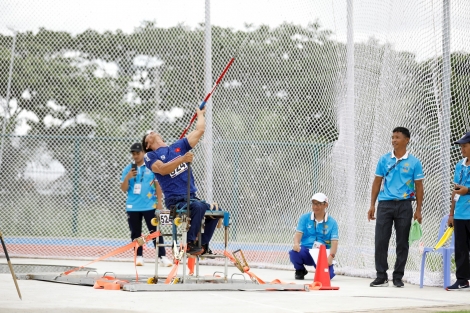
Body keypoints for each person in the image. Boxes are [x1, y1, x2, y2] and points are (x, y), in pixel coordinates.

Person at [142, 106, 218, 256]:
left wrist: (200, 115)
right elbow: (163, 169)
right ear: (147, 145)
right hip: (176, 200)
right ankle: (189, 243)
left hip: (191, 197)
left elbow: (199, 131)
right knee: (198, 206)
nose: (150, 133)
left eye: (152, 132)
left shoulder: (178, 146)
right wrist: (182, 159)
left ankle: (202, 244)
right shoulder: (150, 157)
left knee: (214, 211)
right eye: (147, 135)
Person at [368, 127, 424, 288]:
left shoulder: (414, 162)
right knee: (380, 241)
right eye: (392, 137)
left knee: (402, 242)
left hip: (405, 205)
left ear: (407, 140)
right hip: (385, 204)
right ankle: (381, 275)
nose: (394, 140)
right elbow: (377, 182)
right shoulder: (384, 160)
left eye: (397, 137)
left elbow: (419, 187)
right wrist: (372, 205)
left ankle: (398, 276)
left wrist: (419, 209)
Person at [120, 142, 172, 267]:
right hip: (133, 206)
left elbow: (157, 185)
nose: (135, 156)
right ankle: (138, 256)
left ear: (144, 153)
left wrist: (159, 202)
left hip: (150, 205)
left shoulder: (151, 167)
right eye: (133, 153)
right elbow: (123, 188)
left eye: (138, 153)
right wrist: (128, 177)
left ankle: (162, 256)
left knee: (155, 231)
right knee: (136, 233)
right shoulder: (128, 169)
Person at [289, 193, 339, 280]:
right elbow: (298, 234)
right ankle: (300, 270)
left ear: (326, 205)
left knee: (327, 277)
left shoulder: (332, 222)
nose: (315, 206)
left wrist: (331, 256)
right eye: (314, 203)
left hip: (322, 254)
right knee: (294, 253)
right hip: (306, 251)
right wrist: (296, 243)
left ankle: (320, 268)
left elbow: (334, 241)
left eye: (319, 204)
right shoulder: (304, 218)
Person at [447, 131, 470, 291]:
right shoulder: (459, 165)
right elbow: (455, 190)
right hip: (461, 214)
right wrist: (451, 213)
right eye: (461, 146)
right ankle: (462, 280)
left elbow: (464, 189)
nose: (462, 149)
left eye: (465, 146)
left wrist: (467, 190)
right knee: (460, 248)